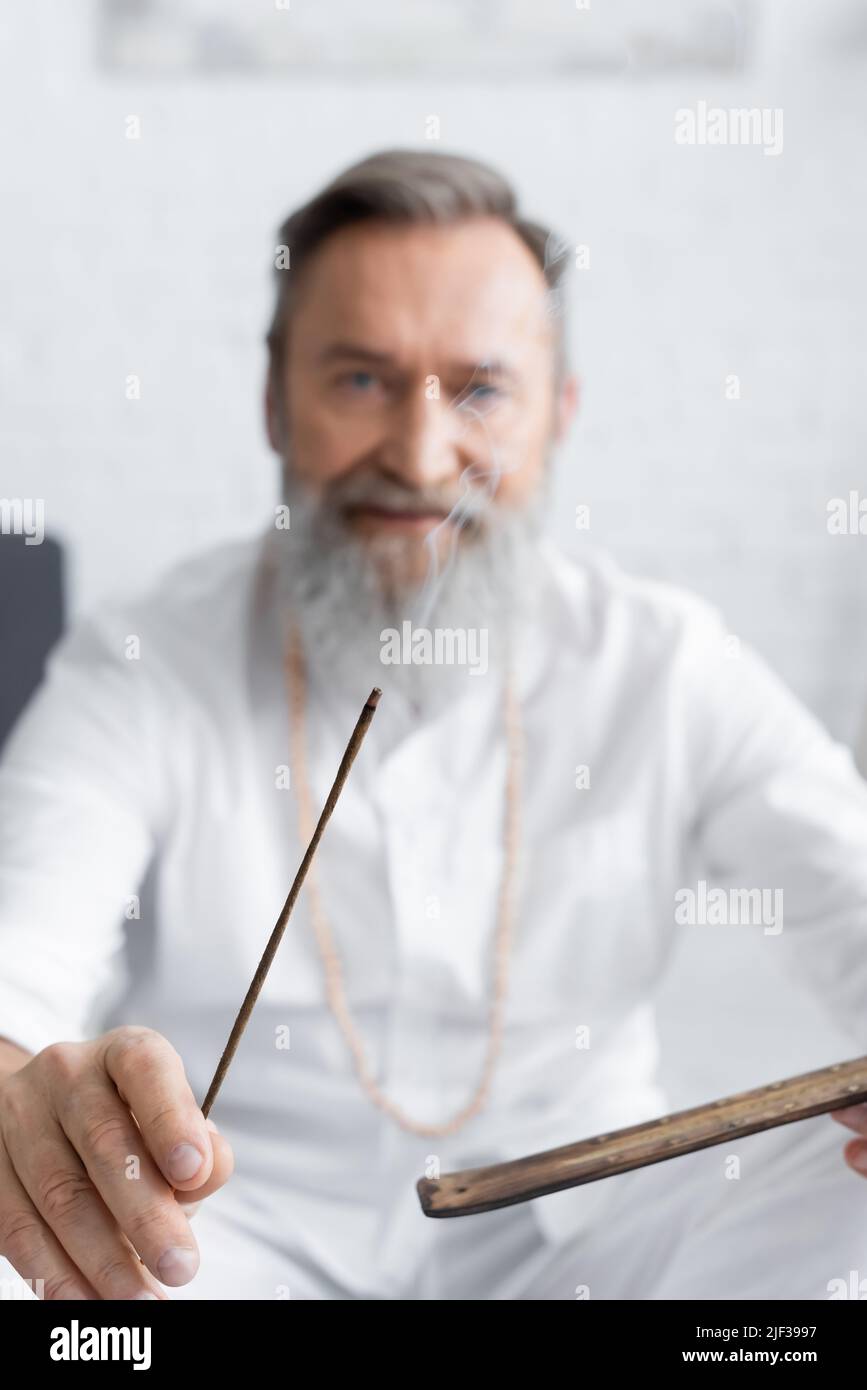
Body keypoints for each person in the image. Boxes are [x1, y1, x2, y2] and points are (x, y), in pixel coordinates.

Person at [1, 149, 866, 1302]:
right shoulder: (145, 660)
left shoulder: (669, 662)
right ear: (273, 401)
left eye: (481, 389)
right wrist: (25, 1098)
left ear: (560, 413)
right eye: (360, 380)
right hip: (218, 1246)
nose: (419, 457)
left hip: (597, 1250)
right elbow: (13, 982)